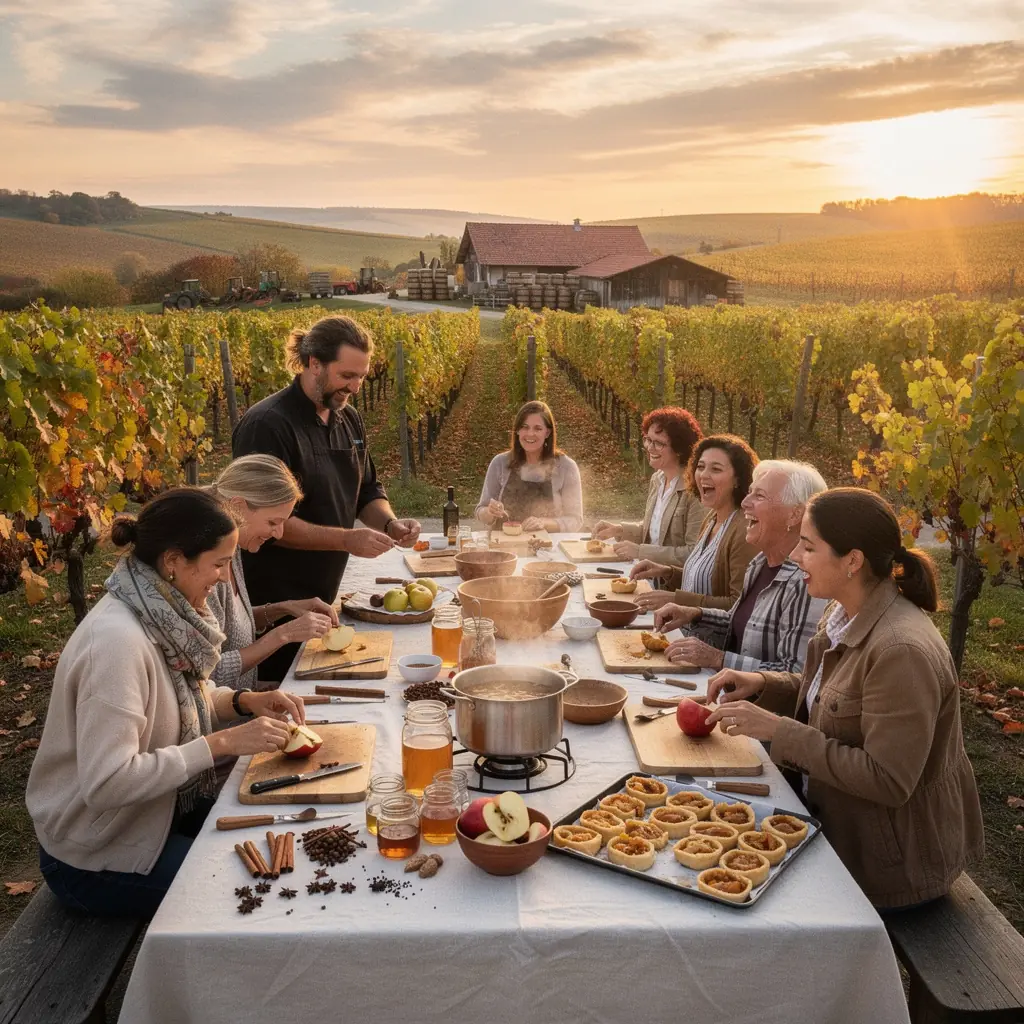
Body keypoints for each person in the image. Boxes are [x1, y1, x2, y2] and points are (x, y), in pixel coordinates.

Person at [26, 489, 306, 918]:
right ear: (174, 561)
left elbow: (181, 703)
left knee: (285, 848)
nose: (224, 577)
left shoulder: (163, 615)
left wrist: (244, 701)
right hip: (94, 853)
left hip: (157, 814)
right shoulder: (117, 645)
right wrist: (222, 744)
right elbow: (107, 783)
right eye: (217, 563)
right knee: (259, 897)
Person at [705, 488, 984, 910]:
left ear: (853, 561)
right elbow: (837, 698)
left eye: (809, 546)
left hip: (886, 866)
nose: (796, 556)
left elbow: (889, 780)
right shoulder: (845, 615)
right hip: (839, 824)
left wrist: (782, 731)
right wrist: (763, 683)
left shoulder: (900, 650)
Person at [233, 315, 421, 681]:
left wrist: (388, 522)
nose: (354, 387)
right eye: (346, 376)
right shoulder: (267, 426)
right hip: (274, 598)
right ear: (313, 363)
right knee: (276, 689)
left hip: (322, 597)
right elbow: (266, 521)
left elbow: (367, 489)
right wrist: (347, 540)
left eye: (361, 377)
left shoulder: (347, 419)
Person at [654, 460, 828, 674]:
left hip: (758, 707)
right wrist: (695, 613)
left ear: (794, 514)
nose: (745, 502)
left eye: (760, 496)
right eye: (750, 493)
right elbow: (746, 626)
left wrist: (719, 658)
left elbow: (795, 673)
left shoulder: (804, 581)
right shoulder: (761, 562)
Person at [206, 454, 340, 690]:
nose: (278, 534)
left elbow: (231, 626)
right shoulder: (206, 566)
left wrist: (283, 608)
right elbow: (209, 673)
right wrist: (284, 634)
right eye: (272, 522)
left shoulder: (233, 543)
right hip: (227, 721)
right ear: (237, 507)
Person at [631, 434, 759, 616]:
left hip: (708, 642)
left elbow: (738, 604)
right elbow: (703, 583)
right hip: (683, 629)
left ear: (738, 479)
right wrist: (668, 572)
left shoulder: (743, 530)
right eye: (700, 467)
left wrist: (675, 598)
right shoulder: (711, 519)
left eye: (716, 469)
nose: (704, 475)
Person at [593, 407, 704, 564]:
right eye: (648, 439)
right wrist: (620, 530)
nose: (649, 447)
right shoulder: (657, 479)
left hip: (672, 585)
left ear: (679, 448)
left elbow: (693, 552)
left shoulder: (694, 490)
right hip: (648, 574)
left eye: (658, 443)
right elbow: (656, 531)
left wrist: (640, 551)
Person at [475, 400, 583, 532]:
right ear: (518, 431)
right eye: (525, 427)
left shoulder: (566, 467)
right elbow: (480, 511)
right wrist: (490, 512)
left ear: (547, 433)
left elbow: (575, 520)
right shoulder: (500, 463)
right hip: (504, 546)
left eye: (537, 428)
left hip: (548, 548)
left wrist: (543, 523)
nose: (530, 434)